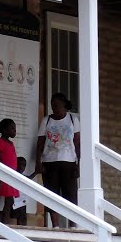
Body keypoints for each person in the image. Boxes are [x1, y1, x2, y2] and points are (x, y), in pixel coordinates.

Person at [35, 92, 80, 228]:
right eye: (52, 105)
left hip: (69, 163)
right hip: (49, 163)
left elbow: (77, 143)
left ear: (65, 106)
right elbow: (40, 143)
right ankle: (55, 225)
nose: (54, 108)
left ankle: (72, 225)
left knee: (70, 194)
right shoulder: (47, 120)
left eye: (57, 105)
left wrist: (79, 164)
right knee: (52, 193)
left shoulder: (73, 120)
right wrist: (38, 162)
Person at [0, 118, 19, 223]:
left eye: (15, 129)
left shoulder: (10, 144)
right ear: (4, 130)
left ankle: (7, 221)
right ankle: (5, 223)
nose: (14, 131)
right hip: (4, 176)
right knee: (9, 201)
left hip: (11, 176)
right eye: (12, 128)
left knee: (10, 202)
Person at [11, 156, 31, 226]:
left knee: (23, 215)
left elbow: (29, 179)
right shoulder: (12, 174)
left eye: (24, 165)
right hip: (14, 200)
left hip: (22, 200)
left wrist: (36, 172)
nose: (21, 167)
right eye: (19, 164)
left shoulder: (23, 177)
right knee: (14, 216)